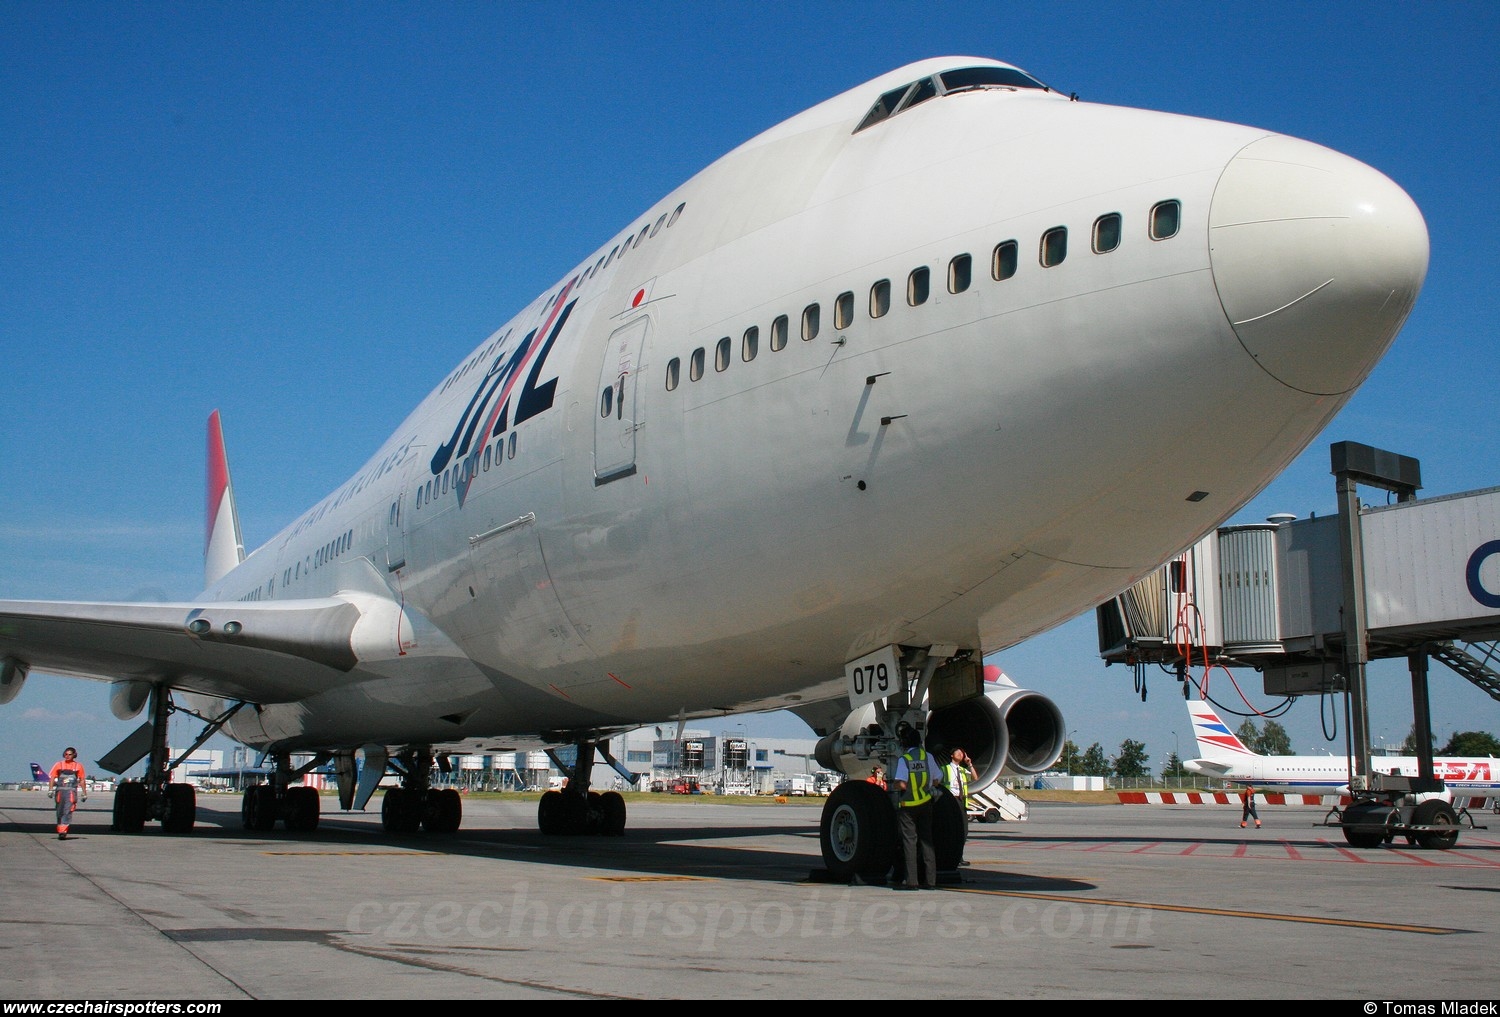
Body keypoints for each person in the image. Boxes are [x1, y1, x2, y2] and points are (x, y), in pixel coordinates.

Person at [891, 724, 945, 890]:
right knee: (927, 841)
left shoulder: (905, 759)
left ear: (904, 743)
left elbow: (901, 783)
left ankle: (912, 881)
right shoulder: (927, 756)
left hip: (908, 806)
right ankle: (930, 881)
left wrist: (894, 787)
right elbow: (938, 779)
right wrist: (926, 786)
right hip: (926, 803)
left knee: (910, 842)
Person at [945, 746, 979, 865]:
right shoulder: (945, 769)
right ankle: (951, 857)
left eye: (962, 753)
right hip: (950, 801)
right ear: (951, 755)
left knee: (963, 831)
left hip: (961, 802)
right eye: (958, 752)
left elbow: (975, 778)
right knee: (951, 831)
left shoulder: (963, 770)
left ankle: (959, 857)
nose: (961, 754)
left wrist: (969, 764)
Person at [48, 747, 87, 840]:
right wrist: (50, 789)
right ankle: (60, 829)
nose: (67, 756)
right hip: (60, 791)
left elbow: (82, 780)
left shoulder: (78, 766)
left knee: (68, 811)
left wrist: (84, 793)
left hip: (71, 792)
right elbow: (53, 777)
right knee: (60, 811)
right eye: (66, 754)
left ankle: (63, 831)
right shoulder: (59, 765)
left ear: (74, 755)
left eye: (70, 754)